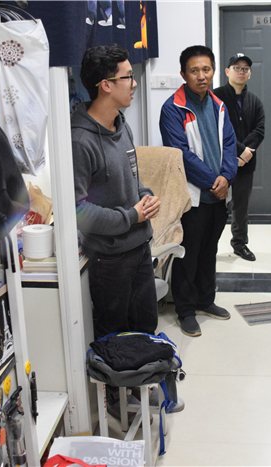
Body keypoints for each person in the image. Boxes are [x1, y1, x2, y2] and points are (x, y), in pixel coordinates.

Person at [71, 44, 161, 341]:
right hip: (109, 260)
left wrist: (145, 196)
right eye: (128, 77)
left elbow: (132, 180)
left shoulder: (122, 126)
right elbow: (77, 211)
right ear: (106, 85)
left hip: (140, 247)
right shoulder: (80, 141)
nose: (134, 84)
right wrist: (131, 216)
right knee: (116, 341)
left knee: (146, 331)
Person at [159, 45, 238, 337]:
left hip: (219, 196)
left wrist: (227, 176)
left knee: (209, 250)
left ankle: (206, 301)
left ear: (214, 71)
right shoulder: (173, 108)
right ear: (183, 74)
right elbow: (180, 154)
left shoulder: (218, 105)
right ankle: (186, 310)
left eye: (206, 69)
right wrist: (214, 182)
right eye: (194, 71)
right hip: (193, 198)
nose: (201, 76)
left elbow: (230, 144)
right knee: (188, 255)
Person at [213, 53, 265, 262]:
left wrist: (245, 154)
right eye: (237, 68)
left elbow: (259, 131)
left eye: (245, 69)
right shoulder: (215, 98)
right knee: (216, 205)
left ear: (249, 73)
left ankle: (240, 244)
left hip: (246, 163)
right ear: (227, 71)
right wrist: (238, 151)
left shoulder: (255, 101)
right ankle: (209, 245)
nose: (241, 72)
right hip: (220, 162)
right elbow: (216, 129)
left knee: (241, 206)